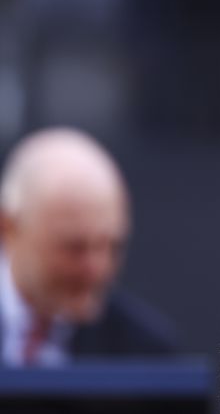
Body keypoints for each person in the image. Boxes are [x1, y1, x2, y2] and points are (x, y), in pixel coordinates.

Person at [0, 128, 177, 366]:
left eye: (112, 246)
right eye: (74, 248)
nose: (96, 268)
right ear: (8, 228)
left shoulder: (145, 354)